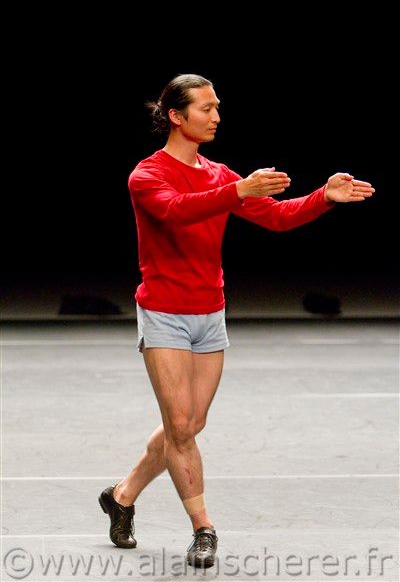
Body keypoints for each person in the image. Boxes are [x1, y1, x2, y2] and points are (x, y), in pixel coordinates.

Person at [98, 73, 375, 569]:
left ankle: (121, 495)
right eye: (206, 108)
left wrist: (323, 197)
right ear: (176, 116)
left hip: (210, 312)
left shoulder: (220, 175)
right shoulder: (147, 175)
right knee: (180, 427)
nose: (216, 116)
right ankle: (203, 528)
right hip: (164, 313)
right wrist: (237, 190)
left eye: (217, 107)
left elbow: (278, 216)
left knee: (189, 424)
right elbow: (176, 211)